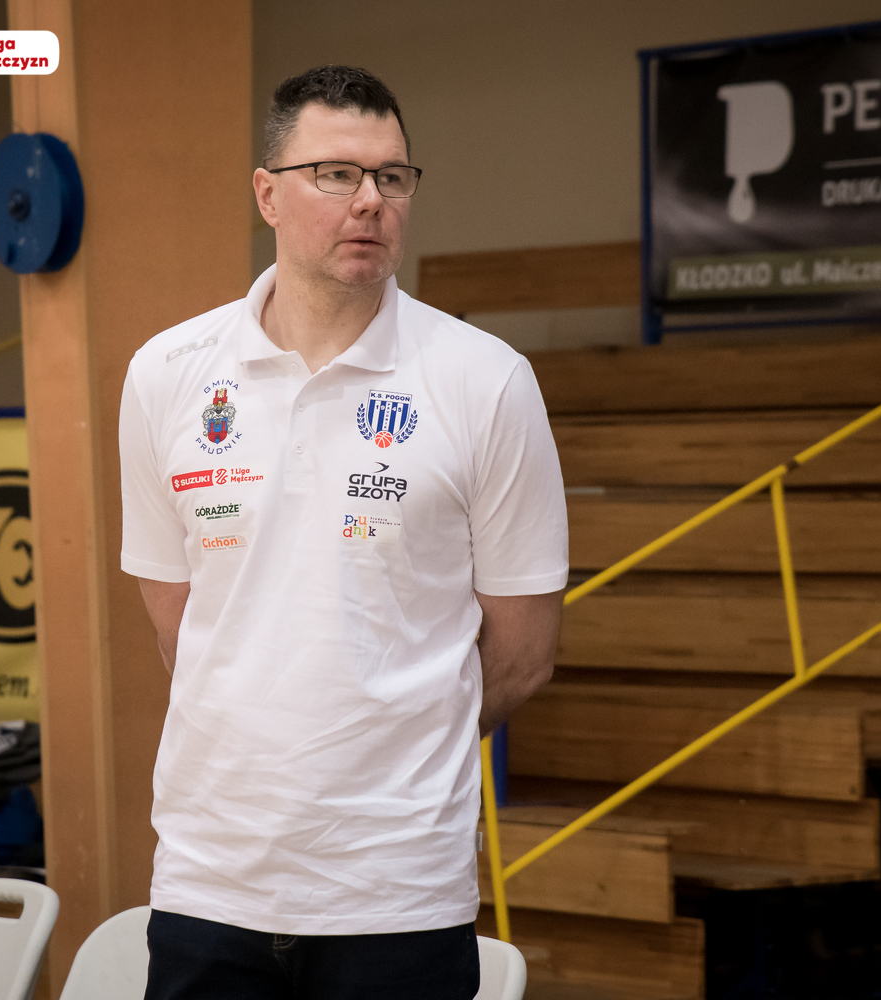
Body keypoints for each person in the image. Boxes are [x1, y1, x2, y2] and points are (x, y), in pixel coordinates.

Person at [119, 65, 568, 999]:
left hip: (397, 894)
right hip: (209, 883)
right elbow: (181, 629)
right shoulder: (166, 372)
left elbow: (523, 655)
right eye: (335, 174)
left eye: (391, 177)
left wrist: (391, 740)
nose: (369, 201)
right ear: (267, 194)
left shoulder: (486, 380)